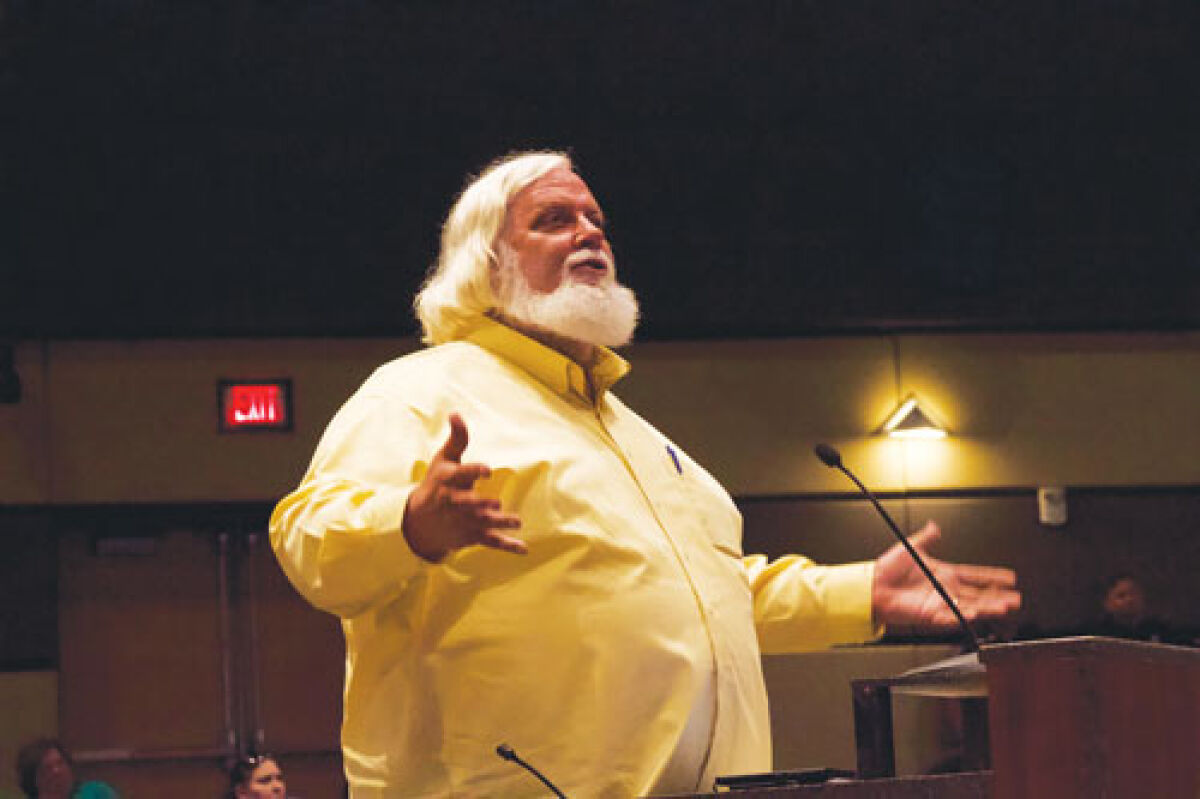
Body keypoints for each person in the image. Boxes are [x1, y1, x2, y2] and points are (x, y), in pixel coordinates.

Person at [269, 150, 1021, 797]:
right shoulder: (422, 390)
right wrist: (408, 524)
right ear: (485, 261)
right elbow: (306, 539)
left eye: (597, 220)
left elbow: (713, 593)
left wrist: (862, 592)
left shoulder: (647, 442)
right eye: (554, 219)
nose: (592, 231)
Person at [14, 738, 118, 799]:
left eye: (60, 763)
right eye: (47, 768)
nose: (57, 771)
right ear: (33, 779)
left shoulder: (96, 792)